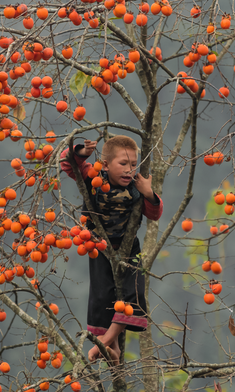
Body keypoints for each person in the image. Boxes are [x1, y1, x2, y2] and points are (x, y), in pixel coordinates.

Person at [61, 135, 162, 362]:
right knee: (103, 296)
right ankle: (112, 350)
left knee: (131, 294)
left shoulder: (137, 187)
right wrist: (83, 152)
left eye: (133, 164)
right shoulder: (94, 176)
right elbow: (67, 163)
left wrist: (148, 192)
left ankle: (104, 341)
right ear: (105, 164)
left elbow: (154, 214)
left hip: (128, 249)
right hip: (98, 246)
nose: (129, 170)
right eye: (123, 164)